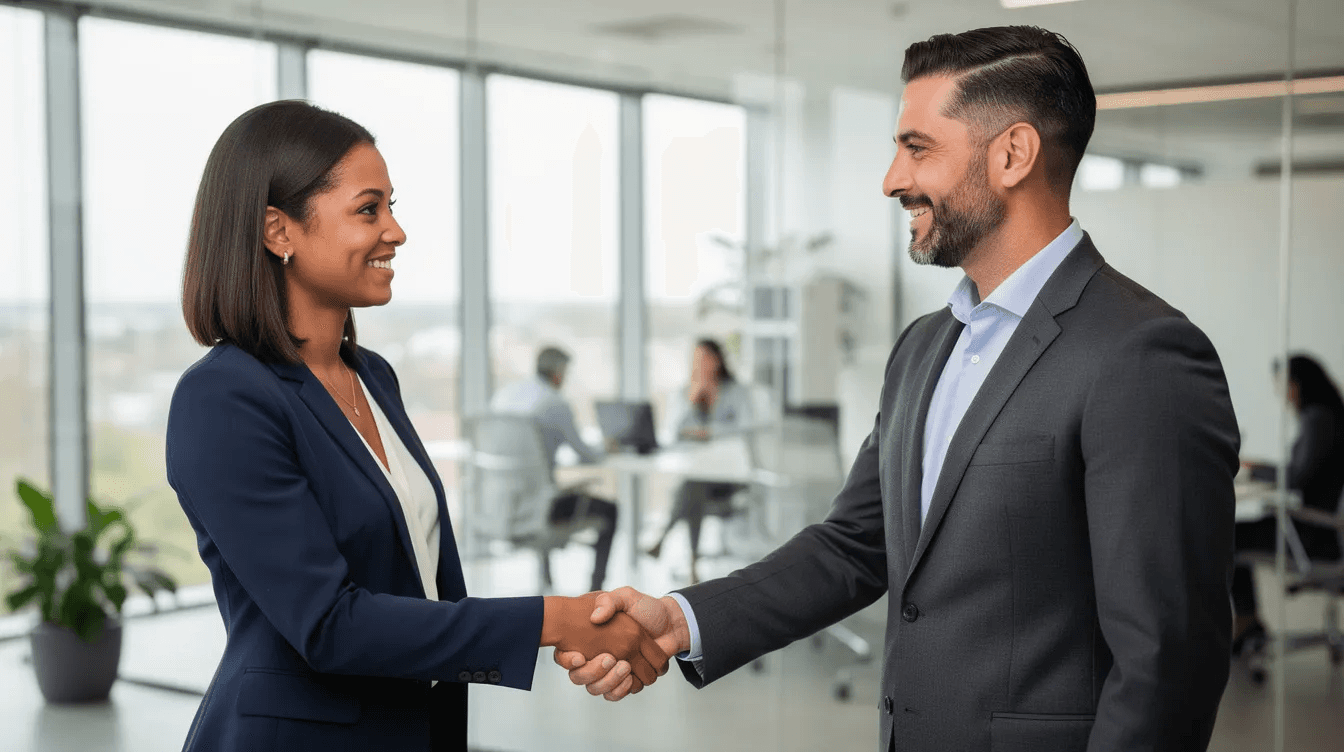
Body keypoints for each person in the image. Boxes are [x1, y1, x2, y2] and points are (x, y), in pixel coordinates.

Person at [560, 25, 1240, 752]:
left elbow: (1167, 663)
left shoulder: (1141, 356)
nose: (891, 179)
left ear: (1013, 155)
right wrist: (680, 619)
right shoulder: (923, 346)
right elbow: (854, 546)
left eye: (918, 148)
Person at [165, 101, 665, 752]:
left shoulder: (372, 376)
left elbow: (423, 589)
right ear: (278, 230)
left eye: (391, 207)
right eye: (368, 210)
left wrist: (567, 629)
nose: (395, 232)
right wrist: (557, 620)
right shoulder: (224, 398)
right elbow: (329, 624)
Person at [1232, 354, 1344, 653]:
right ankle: (1246, 621)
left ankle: (1245, 621)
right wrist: (1259, 468)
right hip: (1322, 529)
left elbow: (1296, 477)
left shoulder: (1318, 419)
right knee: (1234, 533)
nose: (1282, 393)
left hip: (1315, 537)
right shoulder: (1328, 416)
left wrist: (1253, 470)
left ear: (1299, 384)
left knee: (1228, 537)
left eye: (1284, 385)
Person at [490, 346, 620, 592]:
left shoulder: (505, 396)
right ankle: (596, 591)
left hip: (503, 507)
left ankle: (548, 581)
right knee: (610, 510)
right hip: (541, 512)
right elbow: (586, 455)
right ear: (559, 373)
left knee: (543, 488)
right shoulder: (554, 403)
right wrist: (607, 447)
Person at [645, 339, 754, 583]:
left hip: (730, 477)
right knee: (694, 490)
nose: (699, 364)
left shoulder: (736, 392)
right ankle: (692, 561)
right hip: (699, 473)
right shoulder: (686, 392)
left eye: (704, 358)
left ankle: (664, 540)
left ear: (717, 360)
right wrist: (693, 401)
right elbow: (675, 433)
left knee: (691, 490)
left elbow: (747, 428)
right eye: (696, 359)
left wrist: (711, 432)